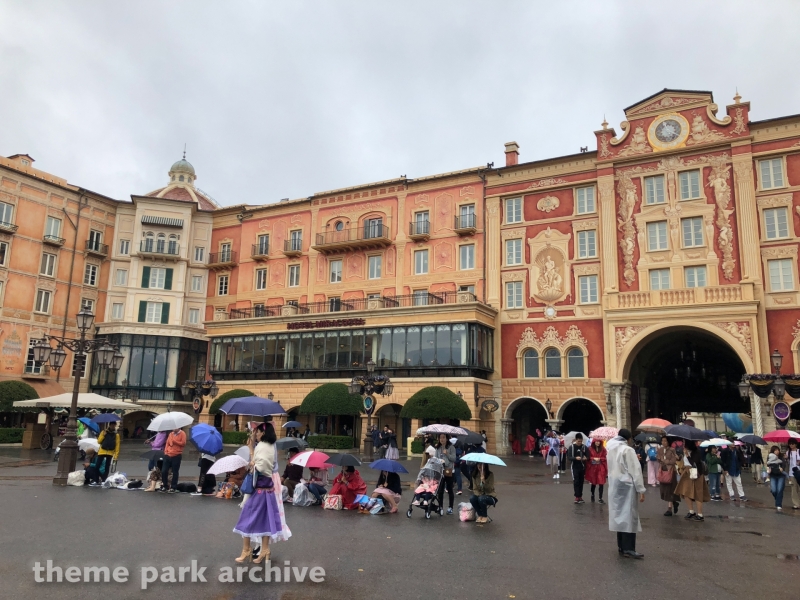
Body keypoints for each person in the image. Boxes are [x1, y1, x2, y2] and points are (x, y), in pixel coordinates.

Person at [232, 422, 291, 564]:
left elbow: (260, 466)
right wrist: (252, 447)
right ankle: (264, 550)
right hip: (267, 489)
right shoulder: (270, 445)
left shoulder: (263, 447)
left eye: (257, 432)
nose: (256, 434)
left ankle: (247, 549)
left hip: (259, 488)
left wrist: (252, 463)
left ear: (263, 433)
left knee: (247, 517)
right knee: (266, 519)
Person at [607, 429, 646, 559]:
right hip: (627, 485)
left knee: (619, 515)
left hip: (615, 484)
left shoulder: (611, 448)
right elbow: (635, 470)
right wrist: (641, 489)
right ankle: (629, 547)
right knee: (629, 515)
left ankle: (621, 545)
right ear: (629, 439)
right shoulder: (628, 450)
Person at [675, 441, 710, 521]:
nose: (684, 446)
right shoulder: (684, 451)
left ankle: (700, 514)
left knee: (698, 493)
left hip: (696, 473)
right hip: (686, 473)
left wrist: (687, 455)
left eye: (685, 444)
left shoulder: (696, 451)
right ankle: (691, 511)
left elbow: (695, 463)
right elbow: (684, 462)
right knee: (685, 492)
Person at [657, 435, 680, 516]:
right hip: (663, 471)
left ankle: (669, 509)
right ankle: (674, 502)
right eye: (662, 441)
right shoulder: (660, 449)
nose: (664, 442)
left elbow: (673, 460)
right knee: (665, 490)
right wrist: (660, 458)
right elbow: (658, 460)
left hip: (670, 471)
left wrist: (664, 460)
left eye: (665, 441)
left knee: (670, 490)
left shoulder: (672, 450)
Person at [435, 433, 456, 515]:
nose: (442, 439)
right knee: (440, 490)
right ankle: (440, 507)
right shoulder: (438, 448)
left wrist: (447, 454)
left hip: (449, 470)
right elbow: (436, 458)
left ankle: (450, 507)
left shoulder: (451, 448)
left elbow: (454, 458)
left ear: (447, 438)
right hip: (440, 470)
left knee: (450, 489)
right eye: (440, 438)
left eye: (443, 437)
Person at [162, 427, 186, 493]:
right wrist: (166, 452)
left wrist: (174, 441)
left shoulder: (182, 433)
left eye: (174, 428)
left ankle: (173, 487)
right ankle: (165, 485)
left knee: (175, 472)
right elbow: (167, 443)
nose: (173, 429)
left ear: (178, 427)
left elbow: (183, 443)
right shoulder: (171, 434)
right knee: (164, 471)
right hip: (168, 454)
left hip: (177, 455)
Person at [567, 433, 588, 503]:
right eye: (578, 441)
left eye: (581, 441)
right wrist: (575, 458)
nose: (580, 443)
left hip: (582, 467)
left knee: (581, 481)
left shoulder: (584, 447)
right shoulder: (571, 447)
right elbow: (569, 457)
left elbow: (588, 455)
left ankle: (580, 496)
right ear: (576, 440)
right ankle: (576, 496)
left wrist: (585, 458)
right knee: (576, 481)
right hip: (574, 466)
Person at [585, 438, 608, 504]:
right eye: (596, 441)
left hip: (601, 467)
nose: (597, 443)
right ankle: (592, 494)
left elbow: (605, 457)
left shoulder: (603, 449)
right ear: (594, 442)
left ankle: (600, 498)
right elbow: (588, 457)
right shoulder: (590, 449)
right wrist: (593, 458)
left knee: (601, 482)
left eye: (599, 441)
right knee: (593, 482)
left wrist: (600, 459)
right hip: (593, 467)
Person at [766, 445, 788, 511]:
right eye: (775, 450)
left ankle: (779, 505)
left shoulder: (781, 457)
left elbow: (784, 464)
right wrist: (768, 470)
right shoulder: (770, 457)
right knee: (774, 490)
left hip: (781, 475)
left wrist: (782, 468)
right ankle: (778, 499)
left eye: (778, 450)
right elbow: (768, 465)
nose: (777, 451)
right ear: (773, 451)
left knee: (779, 490)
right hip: (773, 475)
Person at [786, 439, 800, 510]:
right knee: (794, 488)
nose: (791, 445)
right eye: (790, 444)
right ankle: (796, 504)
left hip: (799, 471)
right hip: (792, 472)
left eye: (793, 444)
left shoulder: (799, 451)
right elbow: (788, 463)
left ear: (796, 444)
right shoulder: (788, 452)